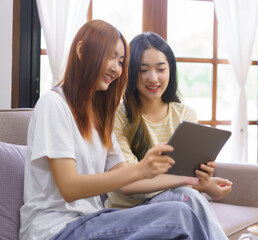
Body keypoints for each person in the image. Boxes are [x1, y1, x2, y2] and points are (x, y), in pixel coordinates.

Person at [19, 20, 210, 240]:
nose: (116, 69)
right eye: (110, 57)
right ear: (81, 50)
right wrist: (140, 169)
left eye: (120, 61)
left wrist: (188, 179)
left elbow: (129, 181)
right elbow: (69, 187)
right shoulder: (53, 104)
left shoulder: (100, 117)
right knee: (178, 215)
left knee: (182, 209)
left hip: (92, 221)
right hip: (55, 229)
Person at [105, 32, 233, 240]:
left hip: (174, 204)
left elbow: (184, 178)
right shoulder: (118, 117)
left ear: (170, 70)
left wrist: (202, 180)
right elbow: (129, 186)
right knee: (189, 197)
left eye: (161, 69)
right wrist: (193, 184)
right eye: (143, 70)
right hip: (127, 215)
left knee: (187, 198)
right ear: (129, 73)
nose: (153, 78)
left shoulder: (184, 115)